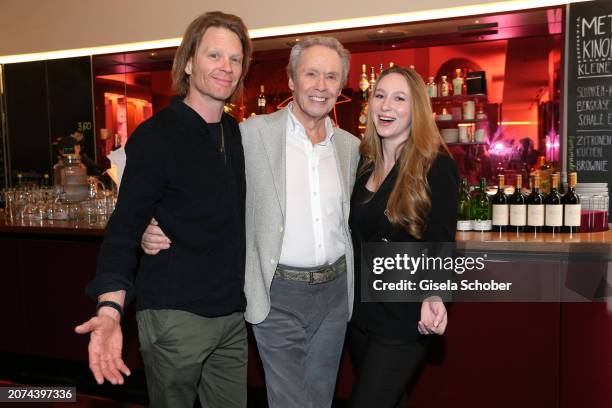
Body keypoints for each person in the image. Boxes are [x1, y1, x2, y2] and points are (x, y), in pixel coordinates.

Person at [142, 36, 361, 408]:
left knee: (321, 398)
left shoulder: (349, 147)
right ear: (292, 81)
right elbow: (199, 179)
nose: (320, 86)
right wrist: (153, 218)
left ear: (341, 86)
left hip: (335, 294)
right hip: (278, 294)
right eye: (310, 74)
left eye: (331, 77)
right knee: (291, 401)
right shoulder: (253, 134)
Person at [75, 11, 252, 408]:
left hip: (231, 317)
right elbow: (124, 228)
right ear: (188, 62)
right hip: (175, 317)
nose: (226, 67)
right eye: (214, 55)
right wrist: (109, 309)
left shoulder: (236, 134)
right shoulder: (157, 136)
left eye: (235, 59)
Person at [347, 66, 458, 408]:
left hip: (404, 316)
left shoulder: (435, 165)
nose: (386, 106)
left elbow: (441, 239)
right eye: (379, 96)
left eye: (399, 98)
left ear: (416, 109)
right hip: (361, 316)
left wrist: (436, 294)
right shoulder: (363, 164)